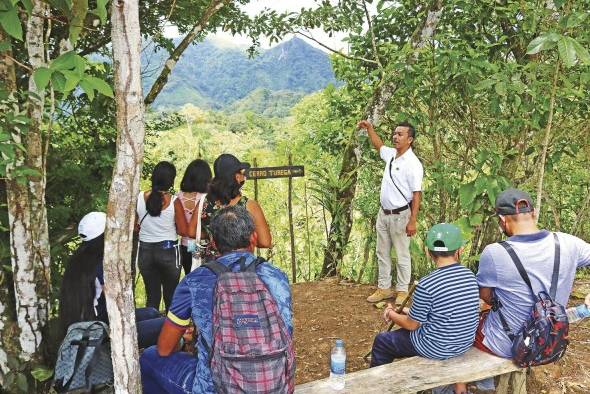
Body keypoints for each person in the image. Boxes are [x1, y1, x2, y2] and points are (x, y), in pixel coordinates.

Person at [139, 205, 292, 394]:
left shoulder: (195, 281)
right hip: (275, 383)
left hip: (214, 388)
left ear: (213, 243)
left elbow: (165, 348)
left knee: (149, 356)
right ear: (253, 237)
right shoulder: (276, 276)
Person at [474, 188, 590, 357]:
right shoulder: (569, 244)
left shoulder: (494, 253)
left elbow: (486, 296)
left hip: (510, 345)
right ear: (534, 213)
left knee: (471, 326)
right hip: (550, 342)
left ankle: (485, 383)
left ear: (502, 220)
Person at [370, 223, 479, 394]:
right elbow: (444, 310)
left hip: (436, 347)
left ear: (428, 252)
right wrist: (406, 311)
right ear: (460, 250)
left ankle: (377, 388)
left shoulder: (427, 284)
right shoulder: (470, 276)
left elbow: (412, 325)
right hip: (463, 343)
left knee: (382, 341)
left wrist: (391, 313)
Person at [59, 212, 165, 348]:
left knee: (152, 313)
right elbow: (117, 299)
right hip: (104, 331)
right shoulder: (102, 264)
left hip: (96, 323)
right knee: (166, 325)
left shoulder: (80, 259)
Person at [358, 120, 424, 304]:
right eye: (395, 133)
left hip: (401, 215)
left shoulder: (413, 164)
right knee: (382, 252)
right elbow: (378, 146)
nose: (395, 137)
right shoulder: (391, 155)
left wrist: (413, 220)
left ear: (409, 139)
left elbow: (417, 194)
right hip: (383, 213)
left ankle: (402, 291)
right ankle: (384, 288)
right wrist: (370, 129)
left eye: (400, 134)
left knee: (402, 254)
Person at [137, 161, 195, 311]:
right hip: (169, 250)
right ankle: (171, 331)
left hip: (145, 251)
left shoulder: (139, 197)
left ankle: (152, 329)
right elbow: (183, 231)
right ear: (171, 181)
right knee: (171, 296)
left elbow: (133, 226)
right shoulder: (174, 201)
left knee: (152, 296)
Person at [191, 153, 271, 259]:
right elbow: (265, 242)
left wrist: (212, 235)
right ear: (237, 177)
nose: (244, 176)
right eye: (241, 173)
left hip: (212, 268)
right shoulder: (249, 206)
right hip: (241, 267)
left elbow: (191, 232)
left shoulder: (203, 203)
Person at [175, 159, 212, 275]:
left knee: (189, 277)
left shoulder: (178, 196)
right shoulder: (206, 198)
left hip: (184, 245)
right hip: (201, 245)